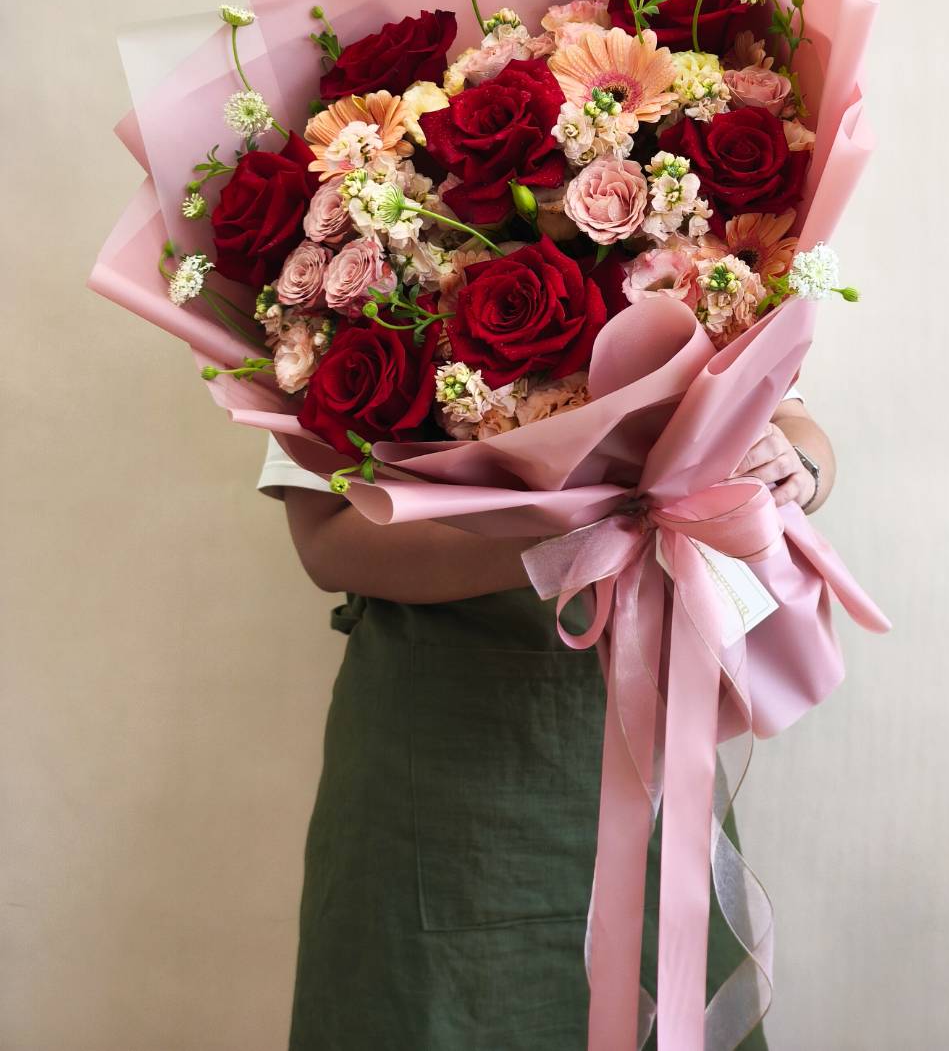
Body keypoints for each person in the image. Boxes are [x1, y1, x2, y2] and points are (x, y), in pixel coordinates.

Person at [260, 392, 834, 1051]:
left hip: (643, 727)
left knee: (662, 974)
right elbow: (328, 542)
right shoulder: (332, 298)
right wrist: (571, 535)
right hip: (439, 757)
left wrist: (796, 468)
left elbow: (793, 425)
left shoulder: (683, 287)